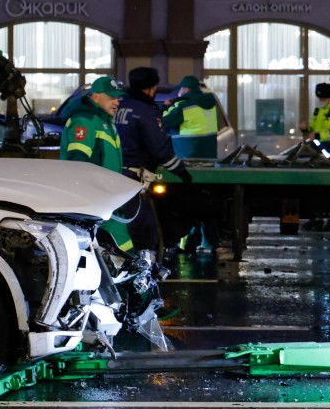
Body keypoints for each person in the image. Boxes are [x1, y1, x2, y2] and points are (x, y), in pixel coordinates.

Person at [59, 75, 163, 305]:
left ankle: (131, 302)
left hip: (106, 200)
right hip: (95, 201)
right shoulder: (85, 121)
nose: (117, 102)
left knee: (118, 250)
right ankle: (137, 302)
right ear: (95, 96)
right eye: (111, 97)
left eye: (118, 98)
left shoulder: (103, 121)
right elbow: (78, 163)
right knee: (122, 249)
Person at [115, 67, 200, 256]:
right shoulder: (147, 112)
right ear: (152, 89)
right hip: (134, 178)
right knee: (144, 228)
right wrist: (182, 172)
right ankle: (144, 268)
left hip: (114, 173)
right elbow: (160, 149)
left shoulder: (118, 106)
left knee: (122, 224)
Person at [300, 82, 330, 230]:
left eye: (321, 96)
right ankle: (317, 218)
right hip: (319, 154)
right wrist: (305, 129)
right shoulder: (320, 111)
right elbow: (313, 132)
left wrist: (318, 135)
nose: (320, 99)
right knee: (317, 189)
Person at [162, 75, 219, 159]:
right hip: (209, 154)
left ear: (187, 89)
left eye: (180, 89)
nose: (179, 92)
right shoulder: (211, 105)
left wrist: (164, 107)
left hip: (188, 154)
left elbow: (165, 121)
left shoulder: (184, 106)